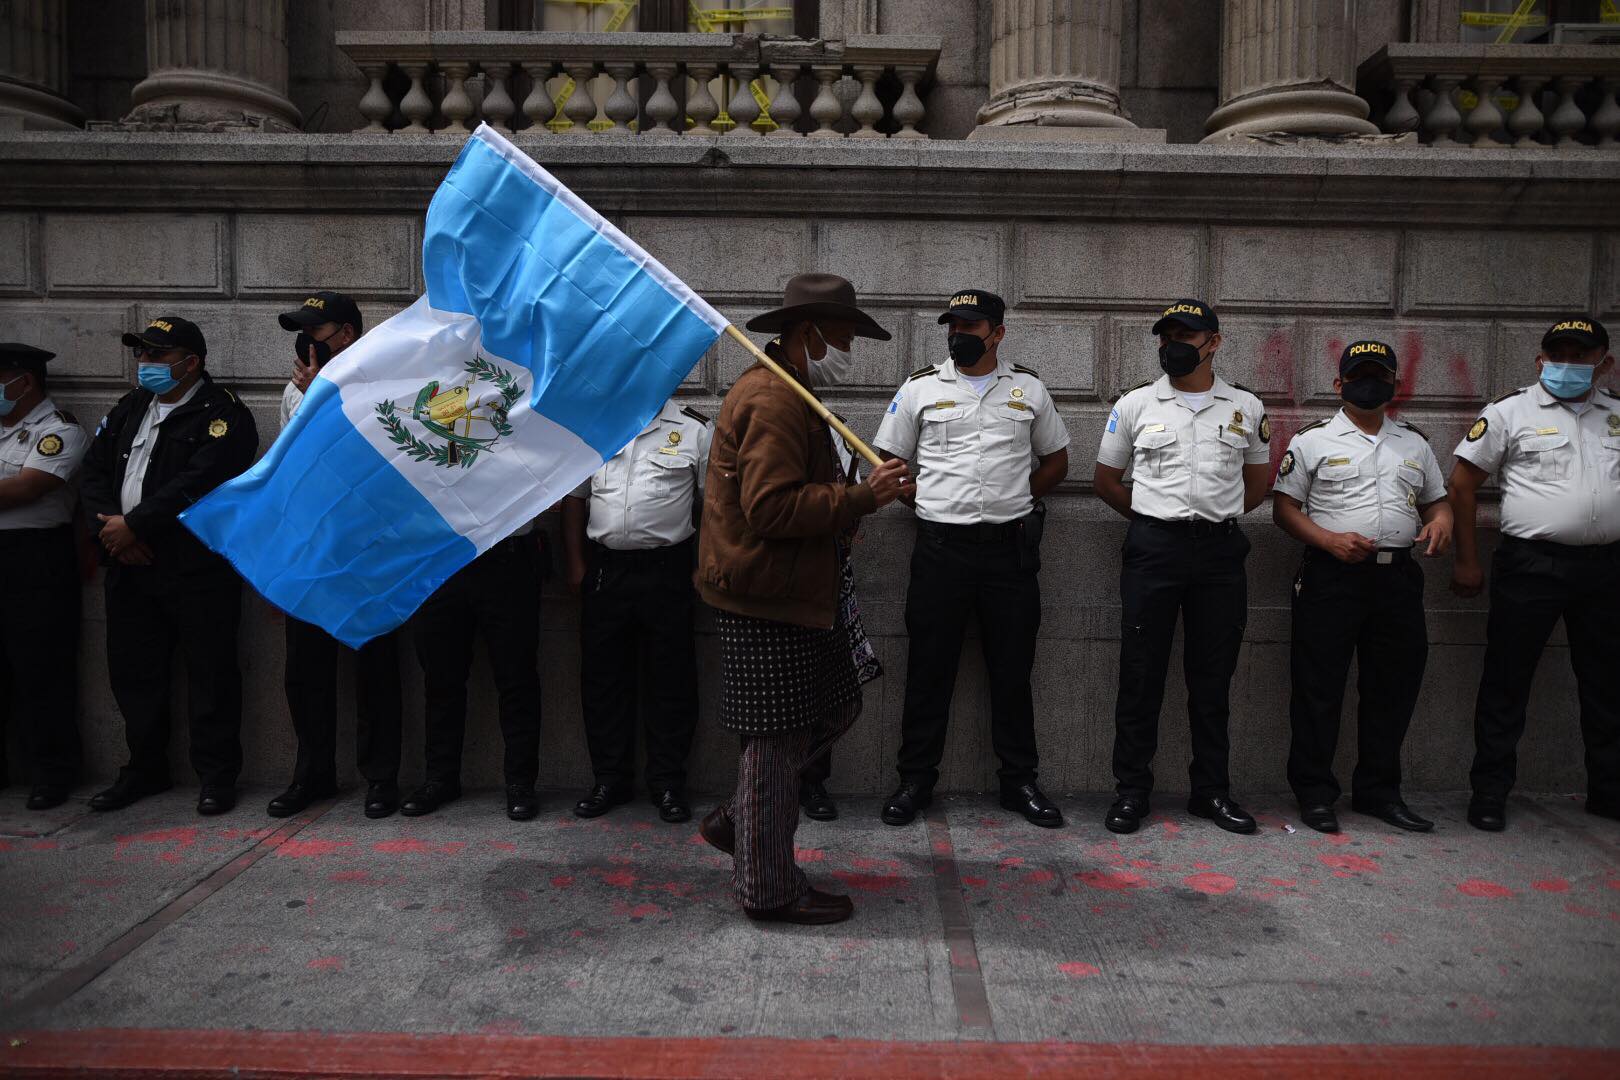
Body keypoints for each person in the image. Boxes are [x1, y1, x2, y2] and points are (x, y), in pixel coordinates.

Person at [694, 273, 909, 926]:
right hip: (768, 599)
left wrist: (847, 503)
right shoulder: (774, 398)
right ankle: (768, 888)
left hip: (788, 593)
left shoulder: (792, 390)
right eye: (843, 333)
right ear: (808, 330)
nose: (848, 344)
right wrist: (863, 497)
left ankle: (745, 820)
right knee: (775, 748)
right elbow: (770, 508)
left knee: (833, 706)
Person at [872, 289, 1070, 828]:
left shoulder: (1027, 388)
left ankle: (1019, 782)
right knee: (929, 669)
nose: (959, 334)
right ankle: (915, 780)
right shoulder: (920, 389)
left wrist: (1019, 496)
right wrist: (925, 499)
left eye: (971, 325)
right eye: (952, 325)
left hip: (1009, 554)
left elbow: (1057, 460)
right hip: (941, 551)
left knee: (1012, 671)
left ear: (998, 333)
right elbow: (889, 462)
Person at [1093, 300, 1271, 836]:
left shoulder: (1245, 406)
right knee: (1141, 673)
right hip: (1154, 549)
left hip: (1218, 554)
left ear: (1213, 342)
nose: (1173, 344)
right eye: (1166, 335)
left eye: (1185, 336)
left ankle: (1210, 792)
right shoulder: (1135, 404)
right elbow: (1106, 479)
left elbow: (1257, 484)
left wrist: (1209, 520)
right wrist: (1156, 520)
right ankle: (1131, 792)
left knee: (1213, 677)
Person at [1272, 339, 1452, 834]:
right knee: (1318, 689)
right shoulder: (1312, 441)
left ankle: (1378, 792)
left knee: (1392, 688)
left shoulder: (1414, 443)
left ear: (1395, 383)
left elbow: (1437, 501)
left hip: (1397, 580)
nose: (1368, 383)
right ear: (1339, 384)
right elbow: (1283, 510)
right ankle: (1314, 793)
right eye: (1358, 375)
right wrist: (1328, 540)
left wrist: (1442, 522)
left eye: (1379, 375)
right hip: (1332, 578)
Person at [80, 316, 258, 815]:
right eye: (141, 355)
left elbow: (199, 483)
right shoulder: (131, 407)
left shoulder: (223, 415)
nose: (145, 365)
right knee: (135, 673)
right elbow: (93, 472)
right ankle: (144, 769)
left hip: (194, 569)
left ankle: (217, 777)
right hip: (129, 564)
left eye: (156, 356)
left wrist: (136, 525)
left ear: (190, 362)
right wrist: (112, 532)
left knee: (211, 675)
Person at [1449, 315, 1619, 832]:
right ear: (1540, 359)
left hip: (1607, 568)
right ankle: (1490, 793)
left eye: (1580, 355)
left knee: (1607, 684)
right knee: (1507, 680)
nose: (1566, 364)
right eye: (1557, 354)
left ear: (1604, 364)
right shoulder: (1509, 412)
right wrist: (1468, 559)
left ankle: (1608, 791)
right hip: (1531, 566)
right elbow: (1461, 485)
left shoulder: (1616, 415)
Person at [266, 292, 405, 820]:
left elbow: (375, 458)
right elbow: (294, 467)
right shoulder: (296, 391)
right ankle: (313, 772)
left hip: (369, 549)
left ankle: (380, 778)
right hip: (313, 550)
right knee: (306, 671)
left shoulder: (386, 385)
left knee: (375, 669)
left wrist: (323, 399)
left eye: (315, 333)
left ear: (345, 335)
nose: (305, 345)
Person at [562, 398, 713, 824]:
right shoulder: (596, 422)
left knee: (671, 681)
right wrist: (575, 565)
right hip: (606, 571)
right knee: (603, 680)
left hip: (668, 571)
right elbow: (575, 499)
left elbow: (713, 504)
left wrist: (703, 565)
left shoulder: (694, 428)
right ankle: (609, 779)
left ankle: (667, 783)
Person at [405, 522, 545, 822]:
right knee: (441, 680)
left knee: (517, 678)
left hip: (506, 556)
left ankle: (521, 782)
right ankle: (440, 779)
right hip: (442, 557)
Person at [0, 343, 88, 810]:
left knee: (41, 668)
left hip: (35, 557)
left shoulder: (58, 431)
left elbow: (31, 486)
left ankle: (52, 773)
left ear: (24, 381)